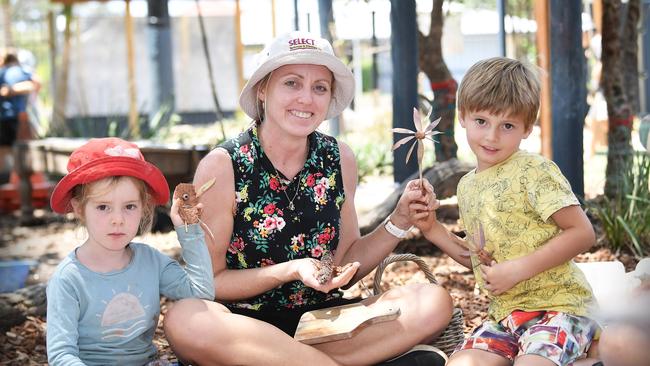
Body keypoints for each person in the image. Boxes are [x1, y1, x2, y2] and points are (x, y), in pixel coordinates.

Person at [163, 31, 453, 366]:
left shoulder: (338, 157)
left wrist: (399, 221)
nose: (306, 98)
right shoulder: (225, 165)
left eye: (319, 88)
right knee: (185, 319)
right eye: (291, 83)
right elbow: (211, 283)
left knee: (432, 301)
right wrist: (291, 270)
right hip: (245, 330)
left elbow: (347, 262)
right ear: (262, 90)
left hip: (323, 324)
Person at [408, 57, 600, 366]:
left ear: (527, 128)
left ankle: (591, 355)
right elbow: (479, 259)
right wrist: (432, 229)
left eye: (507, 125)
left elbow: (582, 233)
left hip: (561, 307)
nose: (491, 136)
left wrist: (518, 269)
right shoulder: (467, 187)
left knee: (531, 364)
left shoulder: (534, 170)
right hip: (505, 318)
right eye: (481, 121)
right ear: (462, 117)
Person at [45, 138, 215, 366]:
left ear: (143, 207)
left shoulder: (150, 261)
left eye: (129, 206)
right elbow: (61, 355)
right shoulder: (68, 279)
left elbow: (201, 294)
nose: (118, 220)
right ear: (79, 208)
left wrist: (189, 230)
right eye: (103, 207)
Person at [0, 49, 40, 183]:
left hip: (3, 118)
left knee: (5, 151)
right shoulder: (23, 71)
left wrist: (10, 90)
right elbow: (36, 83)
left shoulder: (2, 72)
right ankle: (20, 181)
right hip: (19, 116)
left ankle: (6, 182)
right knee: (22, 150)